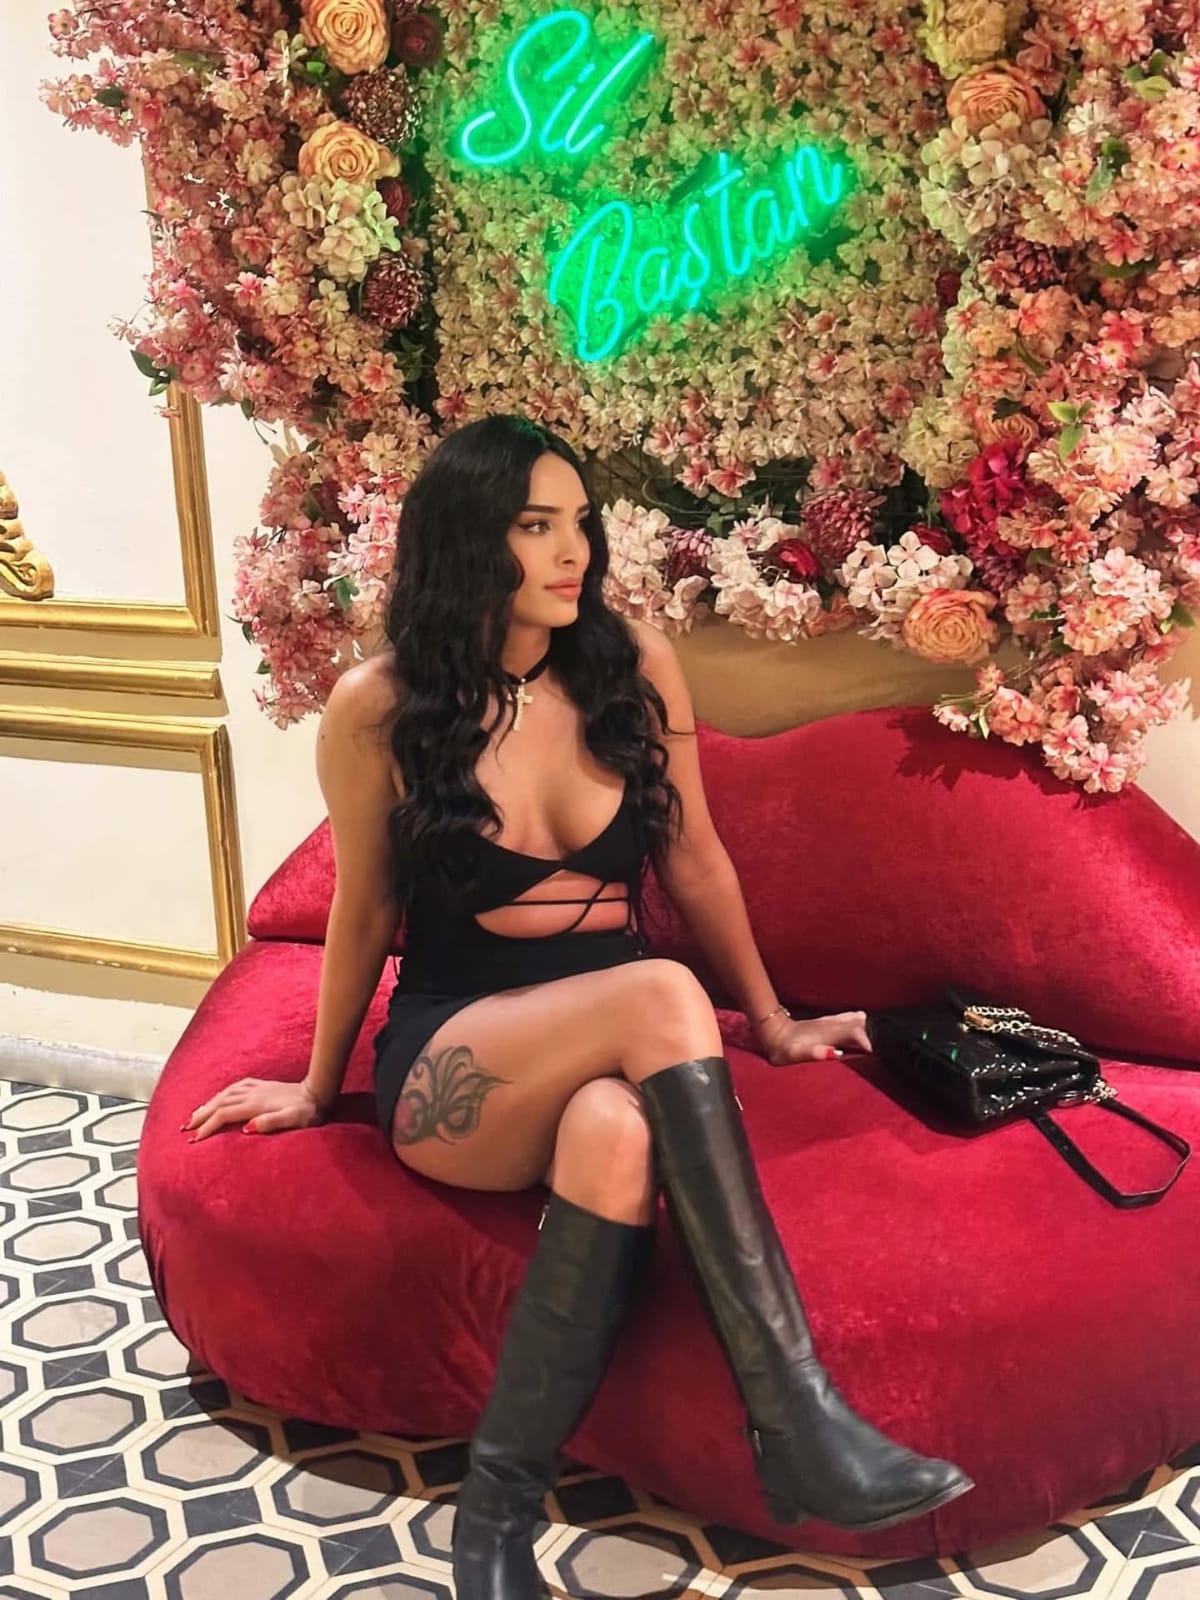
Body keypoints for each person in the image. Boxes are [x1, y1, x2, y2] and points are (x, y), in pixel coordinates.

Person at [183, 414, 972, 1599]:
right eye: (536, 525)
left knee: (615, 1128)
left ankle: (493, 1523)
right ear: (466, 540)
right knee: (660, 988)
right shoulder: (378, 705)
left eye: (582, 524)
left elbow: (695, 856)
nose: (575, 553)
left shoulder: (630, 665)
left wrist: (773, 1021)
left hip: (606, 1062)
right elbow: (363, 908)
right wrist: (315, 1082)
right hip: (455, 1069)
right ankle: (795, 1416)